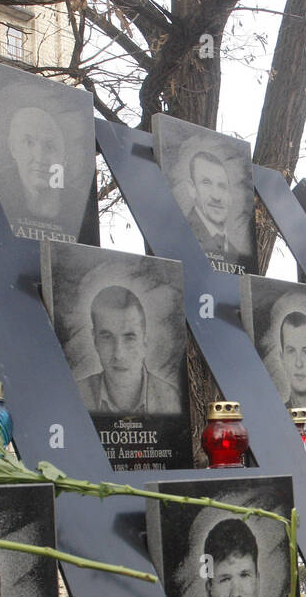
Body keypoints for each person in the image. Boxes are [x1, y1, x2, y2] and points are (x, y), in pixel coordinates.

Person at [77, 285, 181, 415]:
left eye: (129, 338)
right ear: (95, 341)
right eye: (107, 337)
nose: (118, 354)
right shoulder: (76, 397)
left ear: (144, 341)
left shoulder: (173, 402)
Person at [186, 149, 250, 263]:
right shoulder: (181, 236)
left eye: (222, 186)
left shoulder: (237, 254)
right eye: (206, 183)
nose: (216, 196)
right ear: (192, 188)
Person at [5, 105, 66, 221]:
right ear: (12, 148)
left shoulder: (79, 204)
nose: (40, 157)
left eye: (50, 146)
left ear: (65, 156)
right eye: (29, 143)